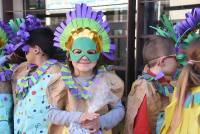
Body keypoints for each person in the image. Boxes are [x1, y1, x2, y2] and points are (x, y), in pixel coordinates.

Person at [48, 3, 125, 134]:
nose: (84, 57)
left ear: (98, 54)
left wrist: (101, 121)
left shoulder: (108, 79)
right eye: (78, 52)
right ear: (69, 55)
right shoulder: (61, 80)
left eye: (90, 52)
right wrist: (78, 117)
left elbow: (119, 110)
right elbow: (51, 113)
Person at [124, 35, 178, 134]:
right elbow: (141, 129)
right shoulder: (144, 88)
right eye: (176, 58)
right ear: (163, 61)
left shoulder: (162, 80)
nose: (178, 63)